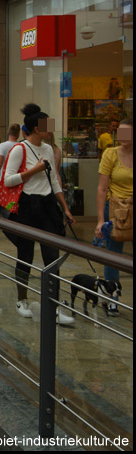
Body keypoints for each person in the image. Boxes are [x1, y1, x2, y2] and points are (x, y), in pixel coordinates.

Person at [2, 103, 75, 325]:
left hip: (47, 206)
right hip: (26, 206)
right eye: (46, 126)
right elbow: (8, 180)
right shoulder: (19, 149)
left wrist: (65, 208)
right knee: (25, 254)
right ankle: (22, 299)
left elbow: (54, 181)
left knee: (51, 256)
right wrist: (34, 170)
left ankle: (52, 304)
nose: (50, 129)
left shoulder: (48, 150)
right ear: (35, 128)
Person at [94, 118, 132, 317]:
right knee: (113, 254)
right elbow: (102, 188)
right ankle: (111, 299)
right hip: (116, 210)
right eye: (120, 133)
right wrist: (101, 219)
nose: (122, 137)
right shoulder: (111, 154)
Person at [0, 123, 22, 194]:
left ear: (8, 132)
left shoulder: (2, 146)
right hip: (17, 179)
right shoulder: (21, 146)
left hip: (4, 178)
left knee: (5, 202)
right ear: (18, 134)